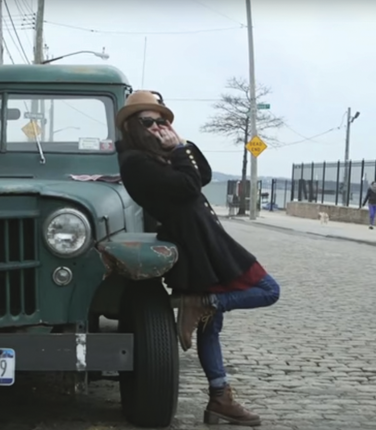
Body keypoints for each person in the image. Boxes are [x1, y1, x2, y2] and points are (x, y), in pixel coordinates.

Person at [115, 90, 280, 427]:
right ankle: (204, 301)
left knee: (210, 328)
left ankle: (220, 397)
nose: (159, 127)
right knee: (268, 289)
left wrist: (182, 144)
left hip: (205, 240)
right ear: (133, 126)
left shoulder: (157, 155)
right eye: (150, 121)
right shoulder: (135, 162)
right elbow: (189, 186)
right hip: (198, 245)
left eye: (163, 121)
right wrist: (176, 150)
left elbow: (201, 175)